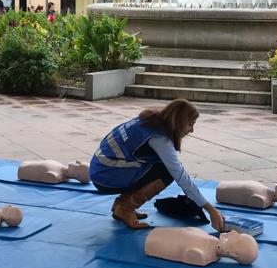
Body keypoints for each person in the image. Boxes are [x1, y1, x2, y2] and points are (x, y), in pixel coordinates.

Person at [89, 98, 225, 232]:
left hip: (101, 169)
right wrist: (210, 209)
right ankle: (125, 208)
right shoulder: (160, 138)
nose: (192, 130)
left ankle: (121, 205)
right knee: (165, 172)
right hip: (105, 175)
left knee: (157, 166)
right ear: (179, 122)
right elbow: (180, 175)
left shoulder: (151, 119)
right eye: (190, 124)